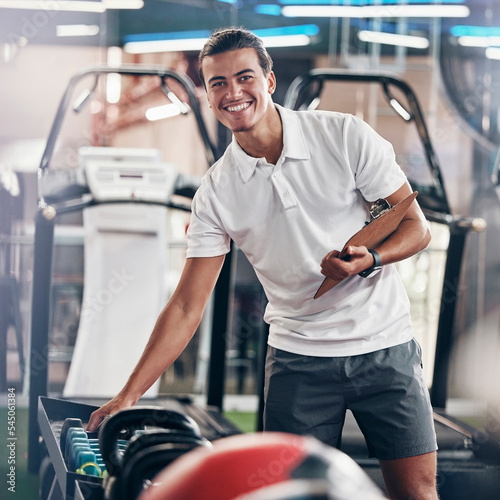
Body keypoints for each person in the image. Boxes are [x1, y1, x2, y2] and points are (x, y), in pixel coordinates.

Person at [87, 27, 438, 499]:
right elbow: (188, 305)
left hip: (385, 347)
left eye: (244, 77)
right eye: (218, 84)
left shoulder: (344, 135)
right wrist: (130, 394)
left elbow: (416, 226)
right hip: (299, 361)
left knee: (417, 493)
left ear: (269, 81)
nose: (233, 93)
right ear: (208, 95)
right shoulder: (216, 192)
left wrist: (370, 259)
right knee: (290, 495)